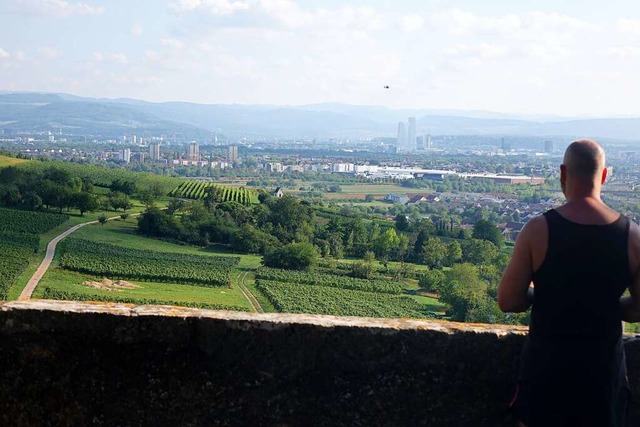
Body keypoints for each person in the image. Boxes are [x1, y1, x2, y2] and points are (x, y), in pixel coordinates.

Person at [498, 139, 640, 427]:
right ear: (604, 175)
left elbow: (509, 300)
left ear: (563, 173)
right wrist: (606, 305)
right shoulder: (632, 237)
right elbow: (639, 310)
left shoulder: (538, 230)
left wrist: (548, 295)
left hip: (545, 377)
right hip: (603, 381)